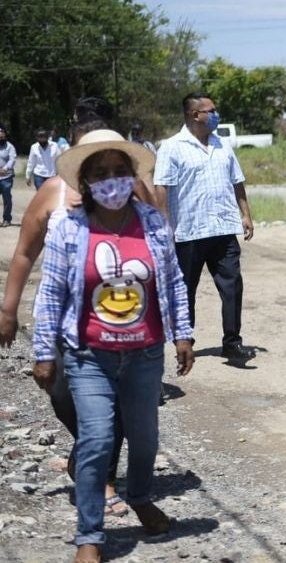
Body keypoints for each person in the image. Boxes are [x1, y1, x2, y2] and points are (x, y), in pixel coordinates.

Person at [31, 130, 195, 562]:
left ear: (132, 175)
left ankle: (140, 496)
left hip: (144, 353)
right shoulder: (69, 226)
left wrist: (184, 333)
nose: (112, 181)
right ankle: (90, 533)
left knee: (144, 439)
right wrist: (44, 353)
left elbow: (174, 279)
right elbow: (51, 294)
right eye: (100, 173)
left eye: (120, 171)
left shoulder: (153, 222)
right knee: (97, 440)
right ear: (85, 182)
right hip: (88, 356)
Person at [154, 92, 256, 361]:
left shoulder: (222, 145)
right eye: (210, 110)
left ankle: (232, 342)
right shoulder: (172, 147)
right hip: (189, 232)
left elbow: (237, 181)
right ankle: (184, 342)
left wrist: (245, 214)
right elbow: (161, 188)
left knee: (233, 286)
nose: (215, 114)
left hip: (223, 228)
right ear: (194, 115)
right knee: (186, 289)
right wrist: (164, 227)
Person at [0, 126, 16, 227]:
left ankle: (7, 219)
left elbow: (12, 159)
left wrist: (5, 169)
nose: (0, 134)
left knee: (7, 198)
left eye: (2, 132)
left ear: (5, 134)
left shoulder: (10, 146)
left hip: (6, 177)